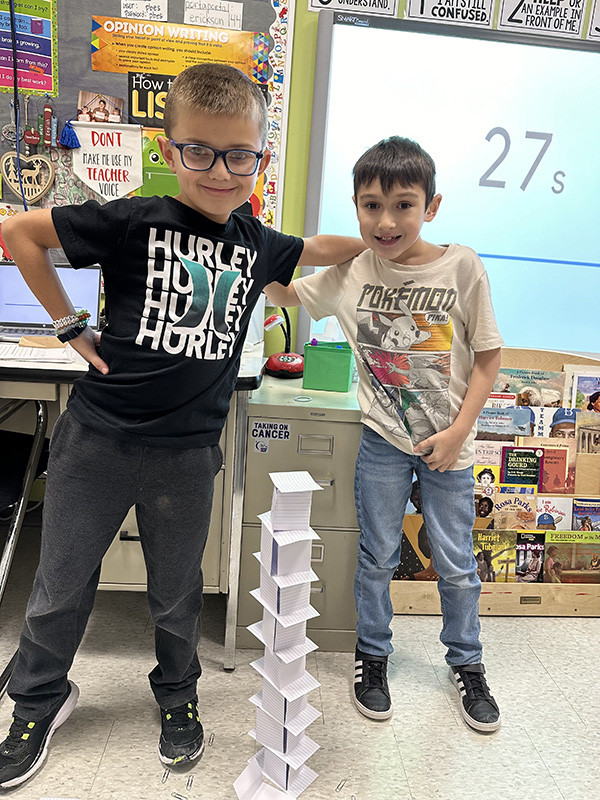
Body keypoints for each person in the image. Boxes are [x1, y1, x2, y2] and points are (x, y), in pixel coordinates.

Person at [0, 64, 365, 789]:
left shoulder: (258, 241)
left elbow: (317, 250)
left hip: (190, 454)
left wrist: (392, 242)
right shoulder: (134, 218)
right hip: (98, 441)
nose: (220, 171)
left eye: (239, 155)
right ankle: (38, 701)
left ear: (258, 158)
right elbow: (18, 231)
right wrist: (72, 327)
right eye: (199, 151)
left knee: (176, 594)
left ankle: (178, 698)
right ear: (169, 151)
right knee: (62, 584)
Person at [265, 136, 504, 733]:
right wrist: (255, 250)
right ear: (355, 206)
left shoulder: (462, 265)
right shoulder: (351, 272)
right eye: (371, 205)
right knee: (377, 558)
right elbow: (291, 295)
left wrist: (457, 433)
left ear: (433, 205)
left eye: (403, 204)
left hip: (450, 447)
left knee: (455, 563)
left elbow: (487, 358)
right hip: (381, 444)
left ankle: (467, 664)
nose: (387, 219)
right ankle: (372, 657)